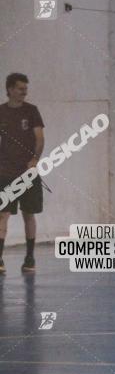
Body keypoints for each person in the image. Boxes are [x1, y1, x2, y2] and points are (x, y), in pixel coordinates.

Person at [0, 73, 44, 273]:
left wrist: (35, 159)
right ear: (9, 89)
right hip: (5, 173)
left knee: (29, 214)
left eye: (25, 88)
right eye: (20, 88)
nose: (24, 92)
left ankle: (29, 257)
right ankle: (0, 259)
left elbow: (39, 137)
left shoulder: (32, 111)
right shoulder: (1, 112)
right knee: (2, 215)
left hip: (27, 173)